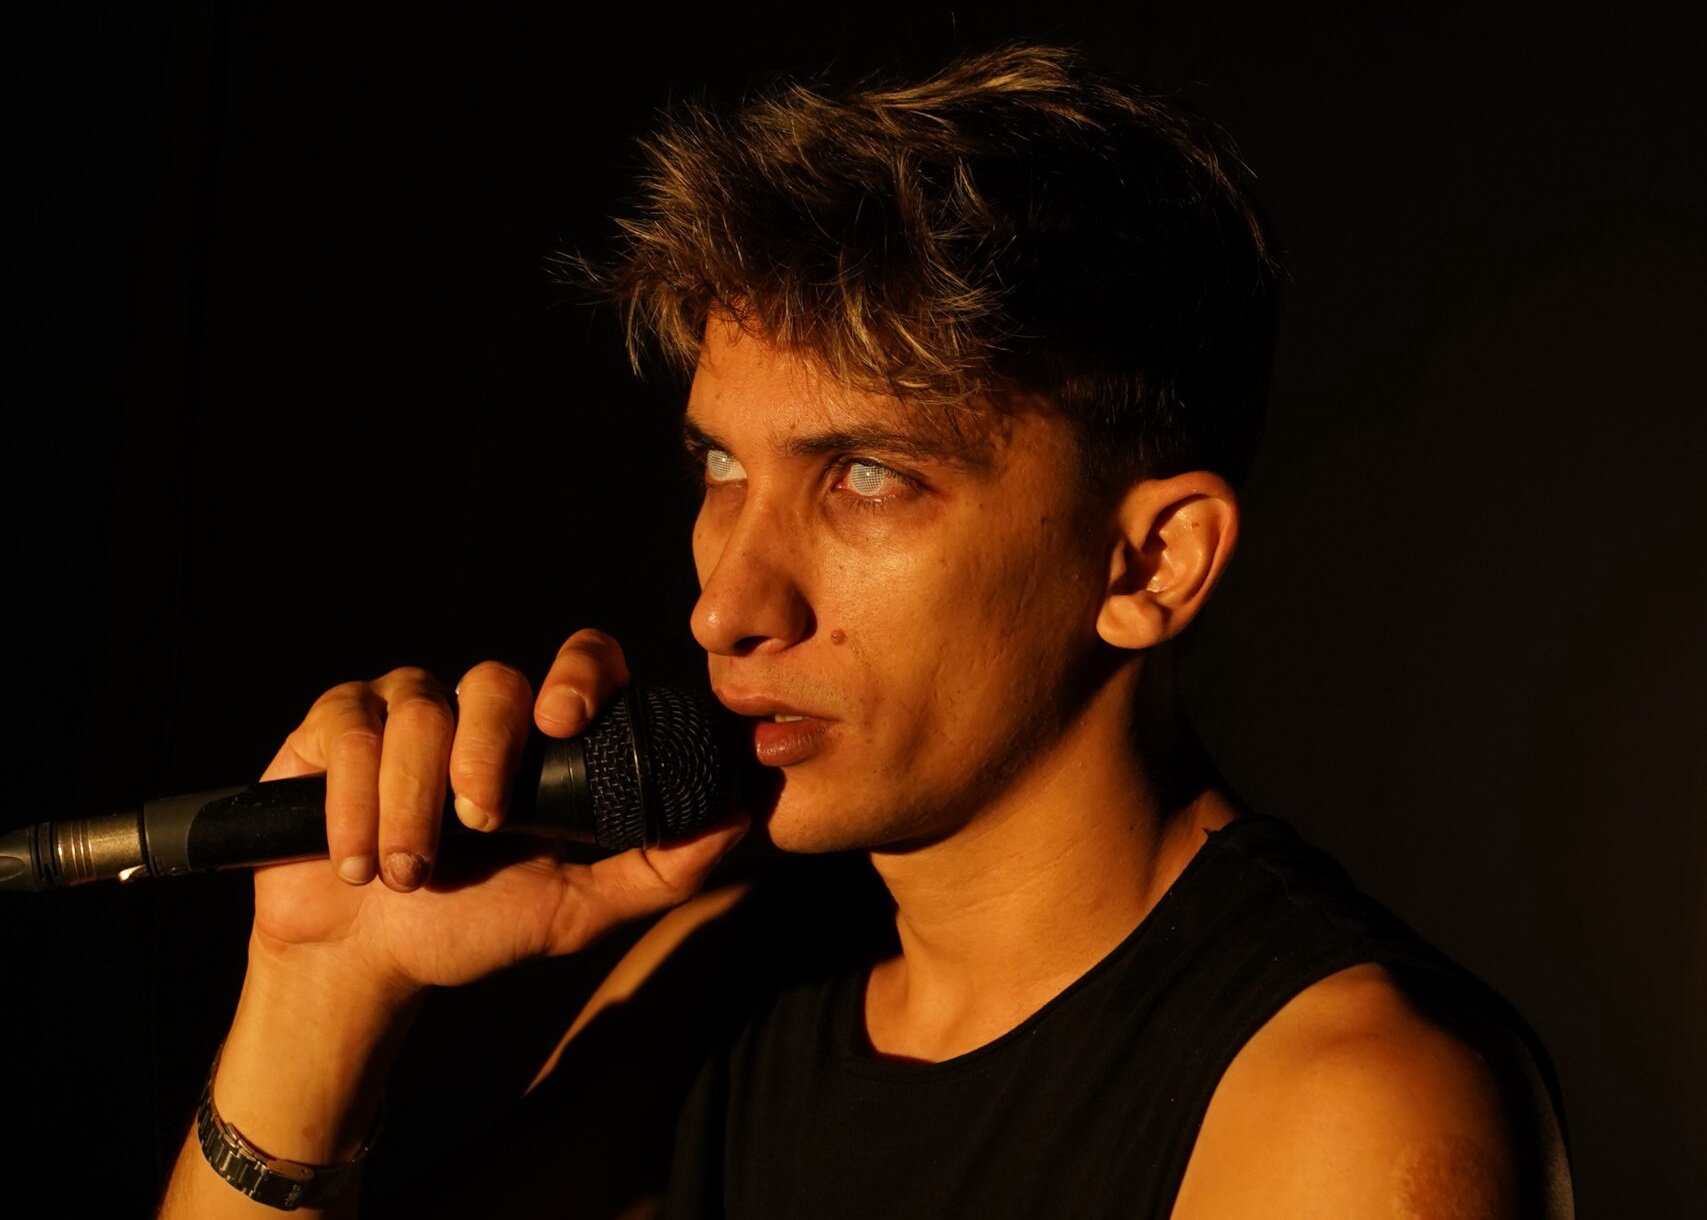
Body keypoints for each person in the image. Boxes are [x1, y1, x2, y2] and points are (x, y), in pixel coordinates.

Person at [160, 45, 1572, 1219]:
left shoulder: (1347, 1105)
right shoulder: (727, 971)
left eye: (869, 479)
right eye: (724, 470)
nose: (726, 603)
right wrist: (321, 986)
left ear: (1151, 560)